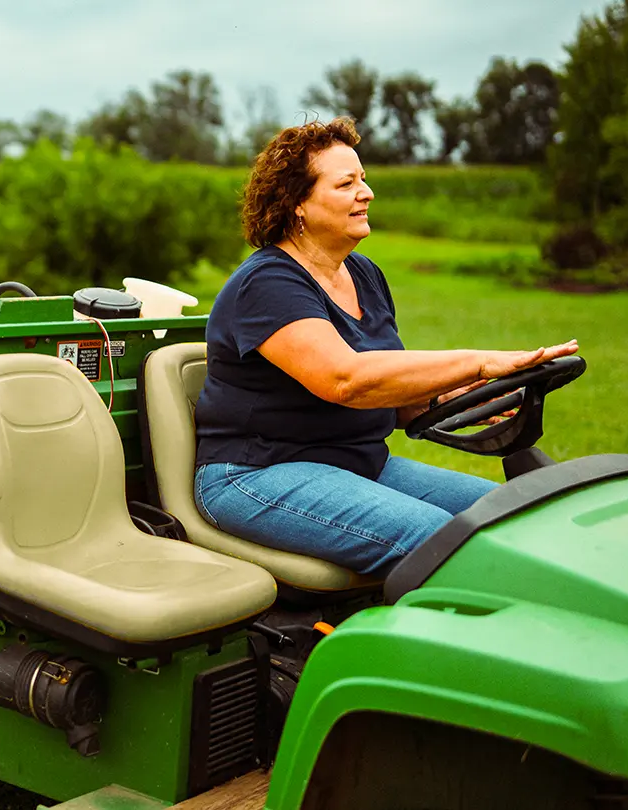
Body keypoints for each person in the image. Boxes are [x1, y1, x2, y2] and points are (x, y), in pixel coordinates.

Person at [192, 117, 578, 577]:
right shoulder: (267, 282)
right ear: (298, 204)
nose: (366, 192)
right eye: (346, 183)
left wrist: (461, 395)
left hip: (358, 464)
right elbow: (345, 380)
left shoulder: (364, 275)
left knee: (513, 517)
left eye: (364, 179)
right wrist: (478, 364)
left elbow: (396, 401)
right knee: (445, 543)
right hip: (257, 474)